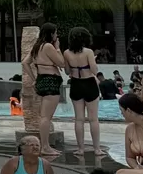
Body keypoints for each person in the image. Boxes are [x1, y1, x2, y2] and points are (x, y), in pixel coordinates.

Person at [63, 28, 102, 156]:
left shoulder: (67, 53)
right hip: (89, 83)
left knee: (79, 119)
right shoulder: (88, 52)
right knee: (93, 119)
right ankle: (97, 149)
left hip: (76, 84)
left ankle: (80, 149)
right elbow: (94, 69)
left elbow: (67, 71)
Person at [30, 24, 65, 146]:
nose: (57, 35)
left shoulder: (37, 46)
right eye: (55, 33)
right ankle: (45, 146)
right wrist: (58, 48)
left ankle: (45, 145)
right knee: (46, 117)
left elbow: (25, 63)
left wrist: (34, 78)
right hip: (51, 82)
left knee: (44, 116)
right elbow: (62, 63)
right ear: (51, 34)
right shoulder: (48, 46)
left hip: (42, 80)